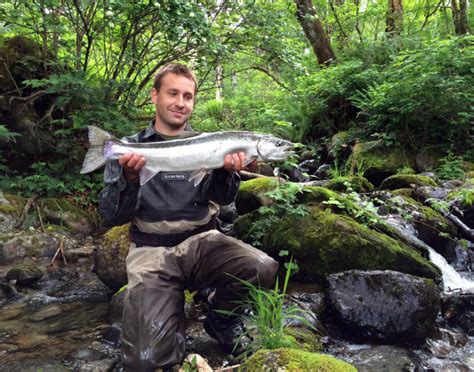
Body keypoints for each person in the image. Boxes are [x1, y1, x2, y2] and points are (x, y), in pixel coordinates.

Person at [98, 63, 279, 371]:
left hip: (203, 241)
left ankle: (221, 321)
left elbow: (223, 199)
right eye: (173, 93)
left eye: (188, 96)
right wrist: (129, 178)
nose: (181, 102)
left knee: (262, 267)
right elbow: (111, 215)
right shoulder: (129, 148)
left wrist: (226, 172)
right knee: (146, 360)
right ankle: (169, 327)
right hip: (151, 252)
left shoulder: (210, 145)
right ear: (155, 96)